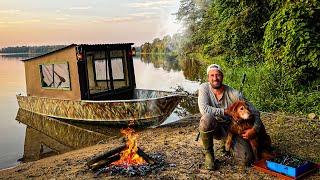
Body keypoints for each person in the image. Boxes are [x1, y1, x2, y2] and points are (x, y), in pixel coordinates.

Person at [198, 64, 262, 170]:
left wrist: (255, 129)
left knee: (246, 160)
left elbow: (255, 112)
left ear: (222, 76)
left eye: (218, 75)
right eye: (212, 75)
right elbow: (203, 109)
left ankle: (229, 145)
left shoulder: (234, 94)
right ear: (208, 78)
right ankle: (209, 154)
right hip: (215, 127)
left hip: (232, 128)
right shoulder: (204, 88)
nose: (215, 78)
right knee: (206, 119)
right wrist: (226, 111)